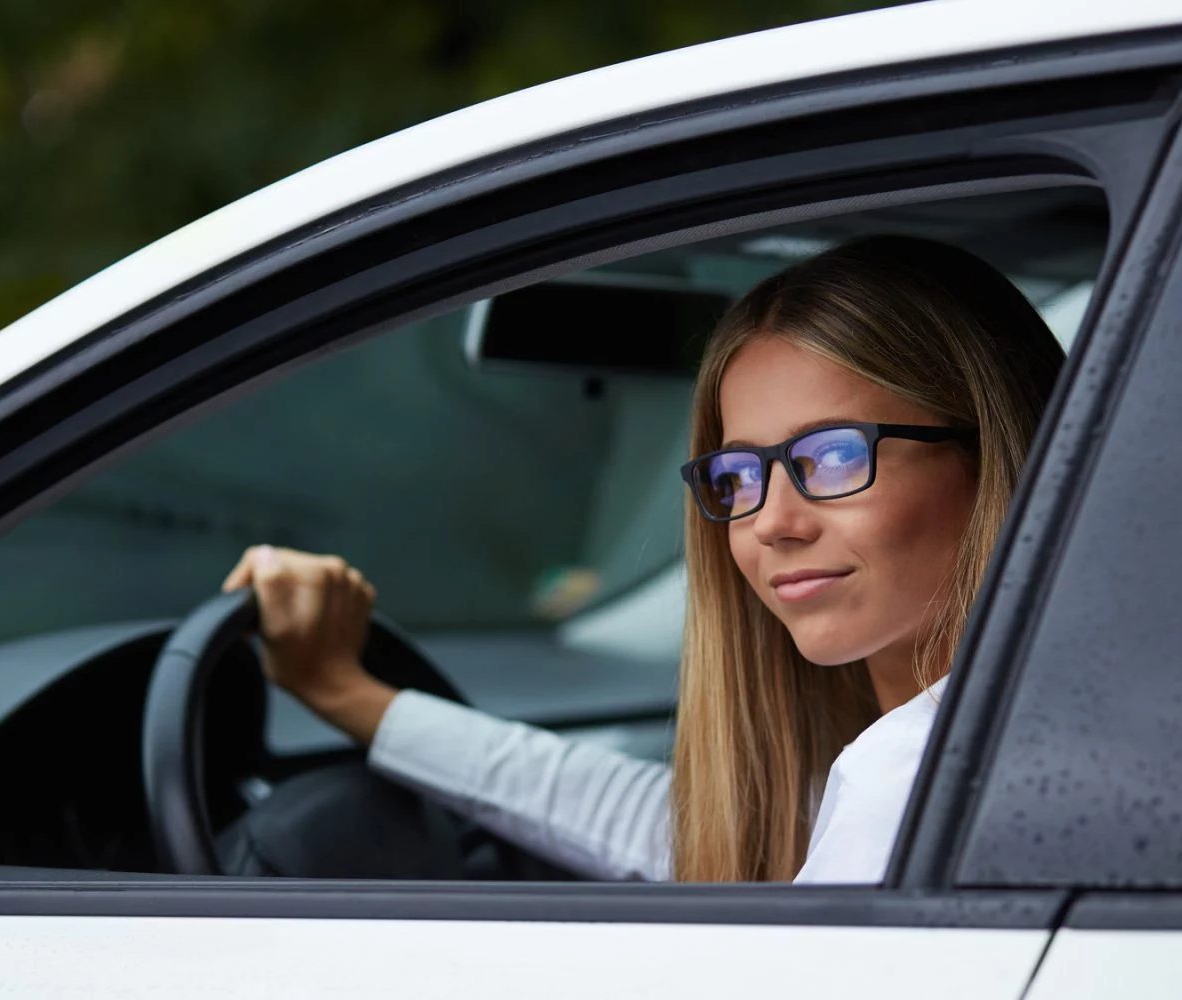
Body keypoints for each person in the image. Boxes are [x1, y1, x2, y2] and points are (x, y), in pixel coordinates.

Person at [220, 235, 1064, 883]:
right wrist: (351, 695)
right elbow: (718, 840)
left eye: (835, 456)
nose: (772, 522)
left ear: (992, 453)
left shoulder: (909, 776)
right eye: (739, 475)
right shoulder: (1005, 748)